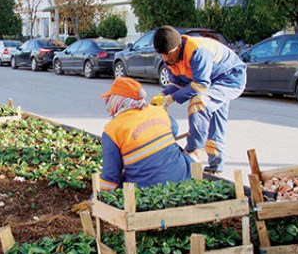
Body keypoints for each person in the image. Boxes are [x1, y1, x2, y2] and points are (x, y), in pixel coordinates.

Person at [151, 25, 246, 174]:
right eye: (162, 55)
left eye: (168, 54)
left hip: (230, 79)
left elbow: (201, 84)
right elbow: (177, 83)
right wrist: (163, 96)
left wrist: (171, 99)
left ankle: (194, 151)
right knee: (216, 122)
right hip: (212, 80)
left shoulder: (197, 51)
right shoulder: (169, 59)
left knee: (199, 103)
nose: (165, 58)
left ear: (177, 47)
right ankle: (215, 168)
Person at [99, 77, 195, 191]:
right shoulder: (158, 111)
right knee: (182, 156)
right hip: (181, 178)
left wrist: (97, 198)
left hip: (145, 190)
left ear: (117, 101)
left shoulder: (112, 130)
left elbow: (111, 177)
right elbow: (174, 129)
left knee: (121, 181)